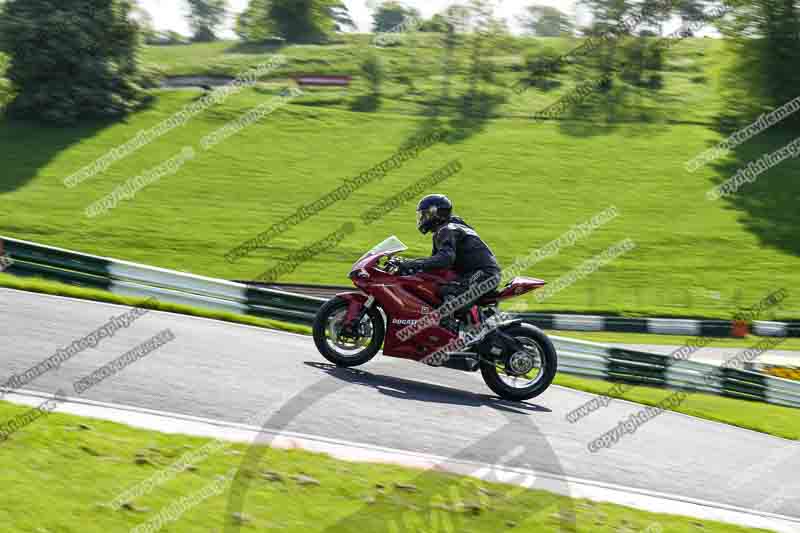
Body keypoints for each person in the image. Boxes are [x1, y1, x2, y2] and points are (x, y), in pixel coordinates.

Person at [396, 194, 502, 332]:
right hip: (479, 272)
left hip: (484, 273)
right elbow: (435, 262)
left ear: (437, 214)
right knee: (437, 286)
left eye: (425, 214)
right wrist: (410, 266)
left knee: (451, 292)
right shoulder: (449, 227)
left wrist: (412, 264)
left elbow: (445, 259)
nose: (422, 218)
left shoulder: (447, 230)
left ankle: (463, 332)